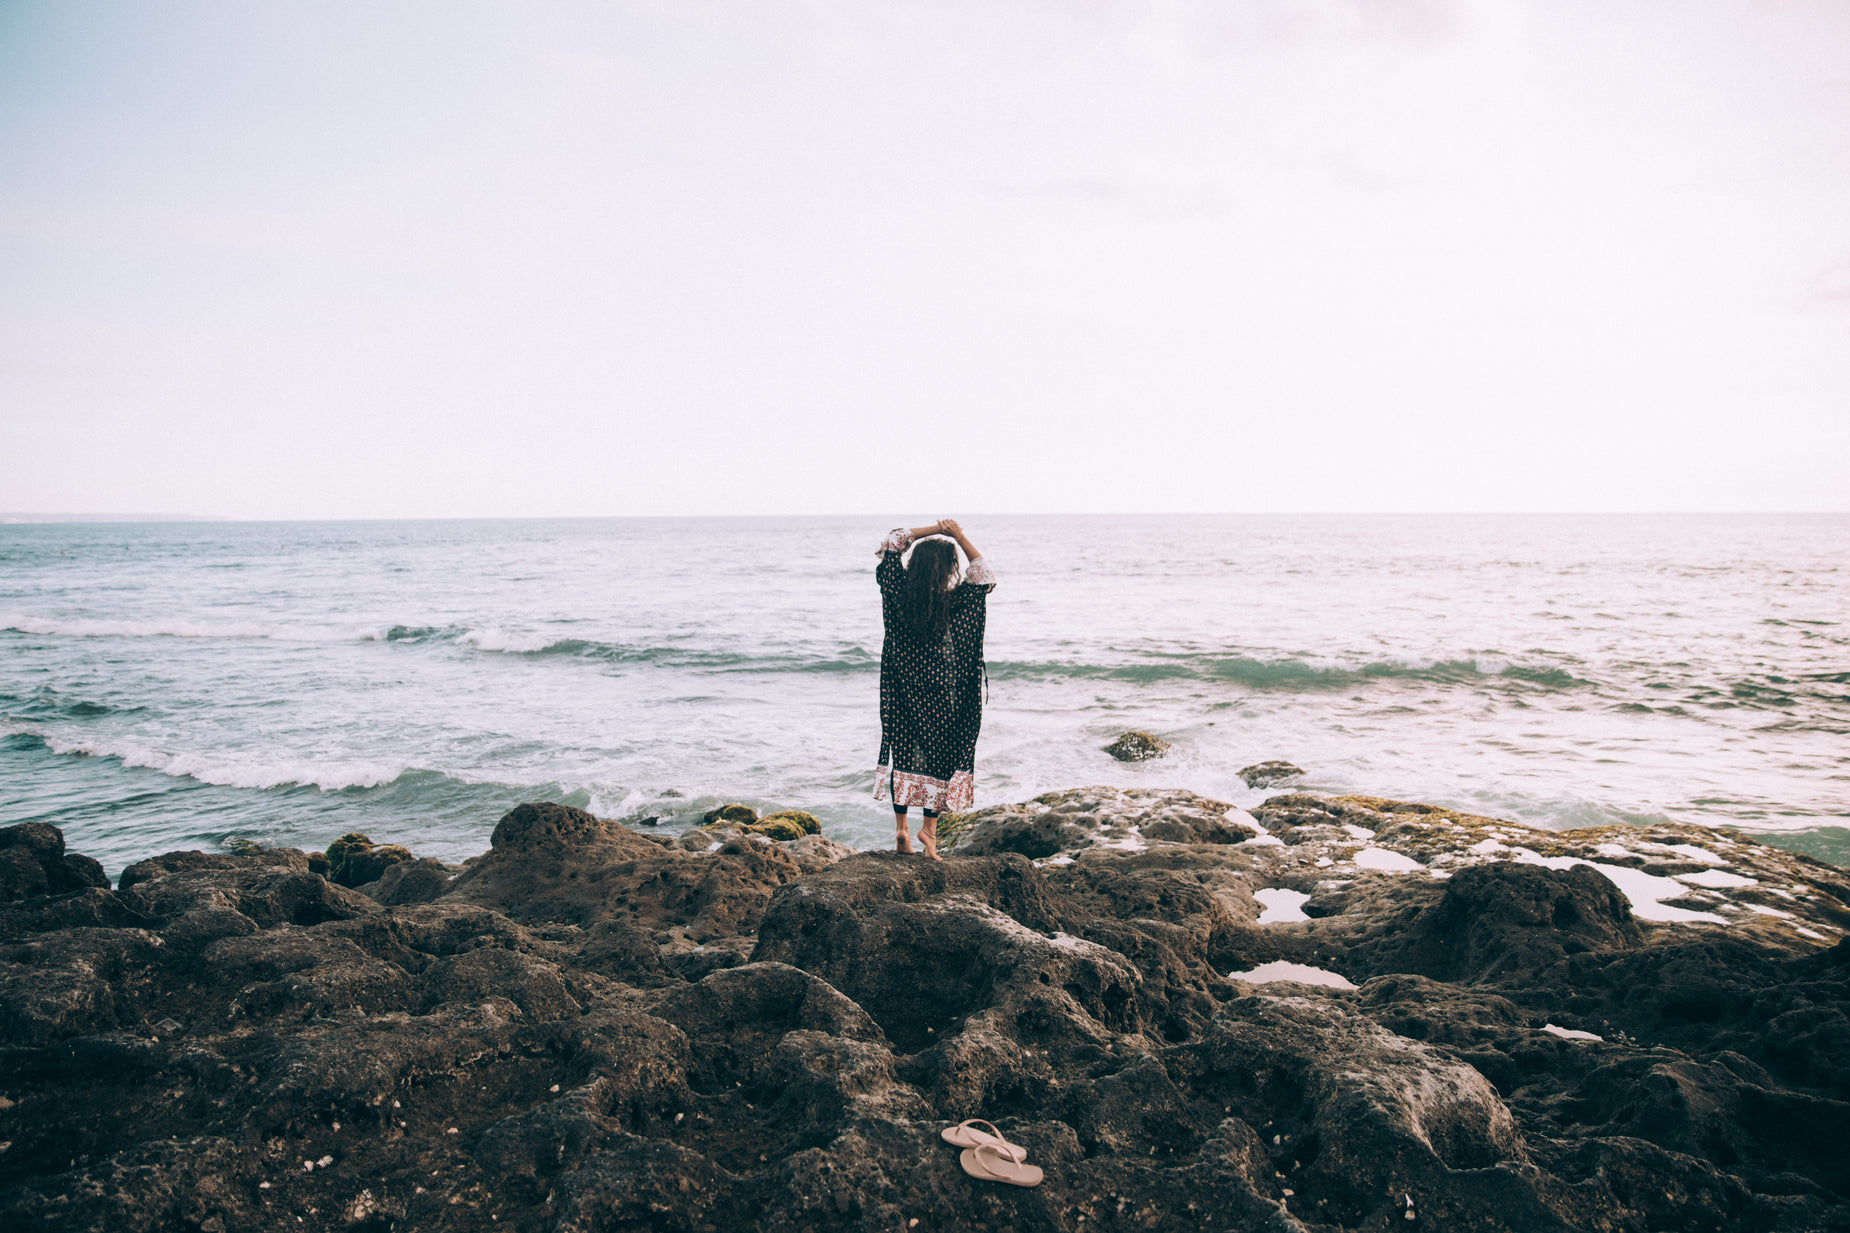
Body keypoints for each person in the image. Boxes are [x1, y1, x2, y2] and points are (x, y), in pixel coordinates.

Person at [873, 518, 997, 860]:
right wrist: (957, 534)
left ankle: (900, 829)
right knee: (939, 759)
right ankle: (928, 832)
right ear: (947, 570)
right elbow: (984, 573)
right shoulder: (955, 602)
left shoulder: (894, 589)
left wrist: (931, 530)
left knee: (905, 753)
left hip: (899, 691)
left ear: (916, 564)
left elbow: (892, 541)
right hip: (943, 695)